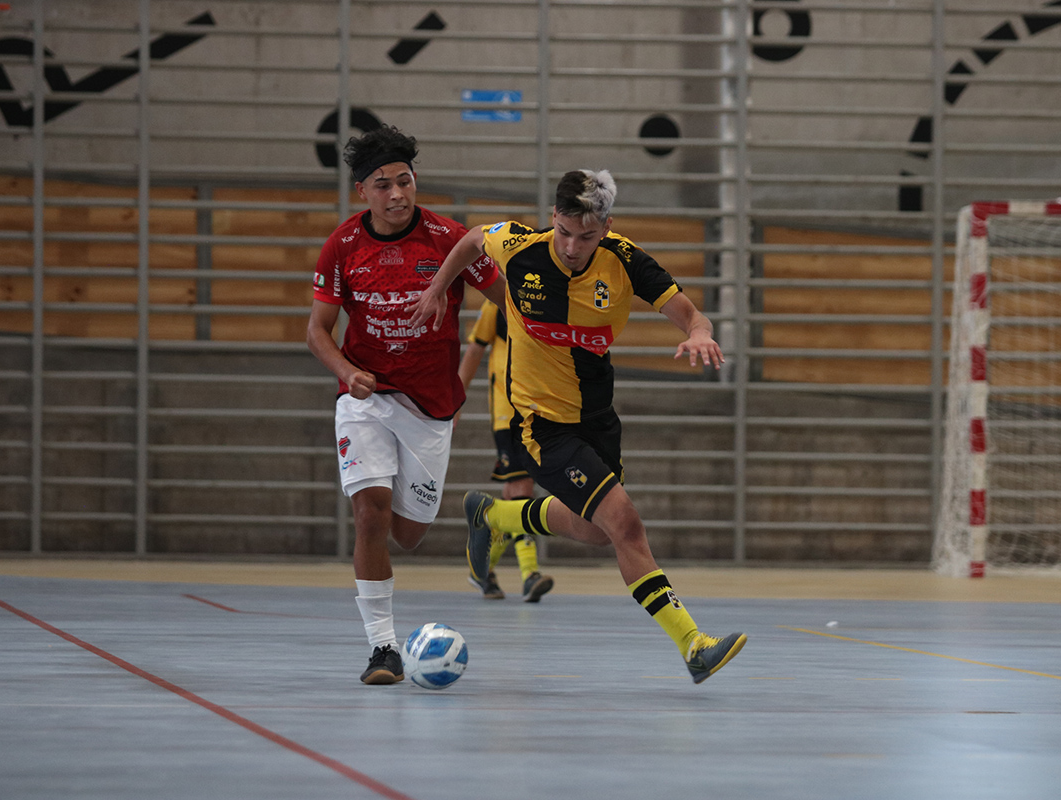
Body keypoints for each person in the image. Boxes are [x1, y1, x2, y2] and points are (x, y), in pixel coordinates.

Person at [410, 169, 746, 684]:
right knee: (626, 524)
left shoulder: (626, 261)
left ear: (606, 227)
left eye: (586, 236)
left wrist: (699, 334)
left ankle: (496, 516)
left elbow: (690, 314)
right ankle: (693, 643)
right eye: (564, 231)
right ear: (553, 220)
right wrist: (438, 287)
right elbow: (471, 238)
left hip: (597, 418)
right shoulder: (520, 247)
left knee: (595, 531)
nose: (571, 246)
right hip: (543, 423)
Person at [307, 125, 505, 685]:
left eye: (404, 181)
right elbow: (317, 331)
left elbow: (512, 300)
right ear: (361, 192)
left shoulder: (451, 239)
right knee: (368, 512)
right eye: (382, 185)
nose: (396, 194)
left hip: (430, 406)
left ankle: (482, 515)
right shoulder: (342, 247)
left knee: (409, 533)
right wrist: (348, 373)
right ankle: (383, 649)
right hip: (365, 396)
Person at [457, 299, 556, 602]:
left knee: (513, 496)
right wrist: (455, 400)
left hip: (537, 408)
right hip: (507, 411)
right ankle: (529, 574)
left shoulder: (547, 297)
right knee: (522, 486)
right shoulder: (496, 302)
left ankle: (482, 570)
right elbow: (475, 348)